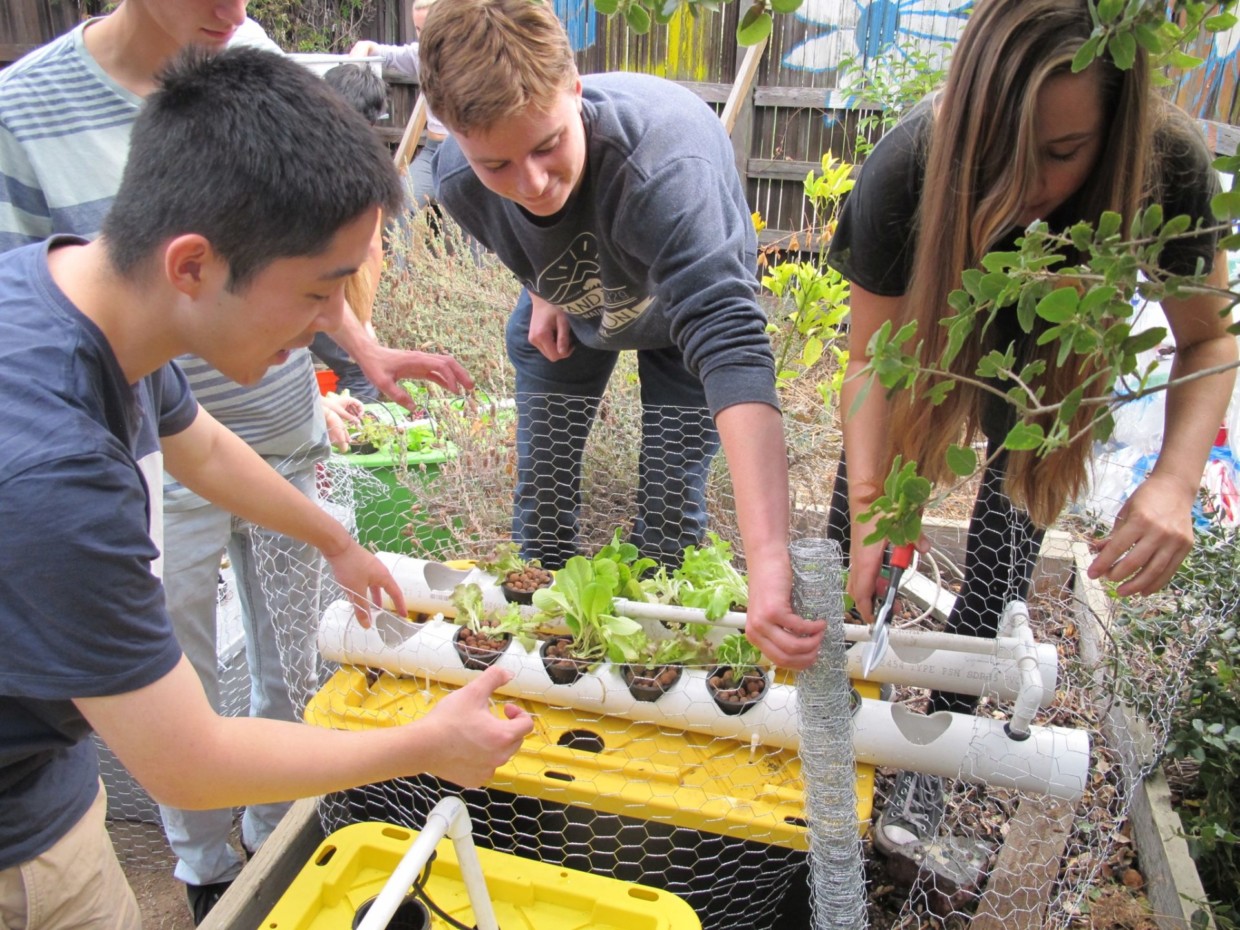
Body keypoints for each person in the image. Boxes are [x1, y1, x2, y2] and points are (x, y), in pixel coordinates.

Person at [0, 46, 532, 929]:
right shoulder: (54, 474)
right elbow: (188, 762)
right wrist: (429, 746)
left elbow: (201, 444)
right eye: (319, 294)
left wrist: (337, 540)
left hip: (44, 781)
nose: (334, 328)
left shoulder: (77, 296)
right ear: (193, 265)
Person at [747, 0, 1236, 860]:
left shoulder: (1167, 165)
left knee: (1008, 540)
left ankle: (938, 757)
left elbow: (1209, 337)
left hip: (1055, 351)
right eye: (996, 156)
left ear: (1115, 129)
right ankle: (825, 727)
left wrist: (1171, 480)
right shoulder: (909, 165)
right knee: (856, 533)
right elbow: (869, 366)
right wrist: (874, 510)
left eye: (1060, 155)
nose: (1024, 190)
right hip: (930, 339)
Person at [416, 0, 802, 643]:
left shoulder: (665, 174)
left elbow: (731, 344)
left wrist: (769, 563)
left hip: (684, 323)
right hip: (575, 306)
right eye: (498, 165)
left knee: (669, 523)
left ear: (575, 88)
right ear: (454, 138)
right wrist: (542, 285)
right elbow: (528, 226)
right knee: (540, 514)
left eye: (548, 145)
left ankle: (657, 665)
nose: (533, 182)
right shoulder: (459, 182)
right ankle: (548, 668)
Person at [351, 0, 448, 213]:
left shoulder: (469, 60)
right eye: (418, 29)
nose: (423, 37)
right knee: (396, 205)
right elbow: (381, 53)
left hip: (465, 152)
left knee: (473, 211)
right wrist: (361, 49)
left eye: (429, 28)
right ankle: (397, 248)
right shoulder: (418, 55)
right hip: (433, 152)